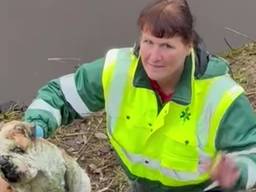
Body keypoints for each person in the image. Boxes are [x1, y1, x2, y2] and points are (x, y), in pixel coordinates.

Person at [23, 0, 256, 191]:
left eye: (166, 46)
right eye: (148, 42)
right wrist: (33, 128)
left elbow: (251, 154)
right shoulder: (117, 70)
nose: (154, 56)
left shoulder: (222, 96)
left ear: (188, 48)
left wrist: (236, 173)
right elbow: (60, 95)